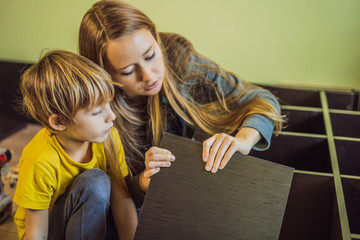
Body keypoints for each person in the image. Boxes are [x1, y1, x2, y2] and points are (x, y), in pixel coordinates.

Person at [79, 0, 285, 205]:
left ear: (157, 41)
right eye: (128, 71)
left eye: (150, 55)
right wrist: (142, 183)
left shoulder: (181, 60)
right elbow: (114, 200)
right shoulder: (94, 113)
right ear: (104, 75)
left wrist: (244, 140)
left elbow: (263, 100)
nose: (148, 76)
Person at [13, 50, 137, 240]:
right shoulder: (40, 160)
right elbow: (36, 231)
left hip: (89, 221)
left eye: (109, 104)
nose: (111, 116)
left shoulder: (109, 137)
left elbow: (121, 199)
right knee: (96, 182)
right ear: (59, 122)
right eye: (97, 112)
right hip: (52, 231)